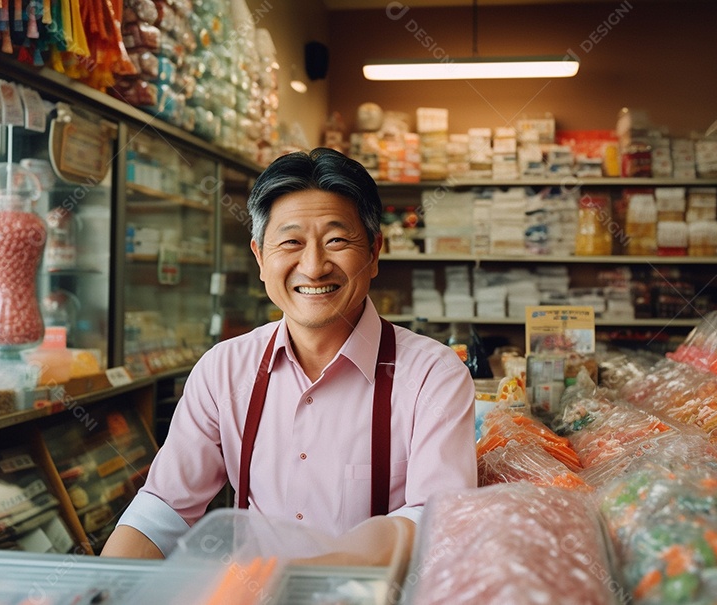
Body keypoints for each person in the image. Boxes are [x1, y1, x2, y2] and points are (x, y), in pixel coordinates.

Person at [102, 148, 476, 564]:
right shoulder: (223, 370)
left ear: (373, 253)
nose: (314, 267)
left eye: (336, 240)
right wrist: (100, 587)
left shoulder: (431, 374)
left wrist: (301, 576)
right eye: (291, 242)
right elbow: (164, 509)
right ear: (260, 257)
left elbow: (439, 519)